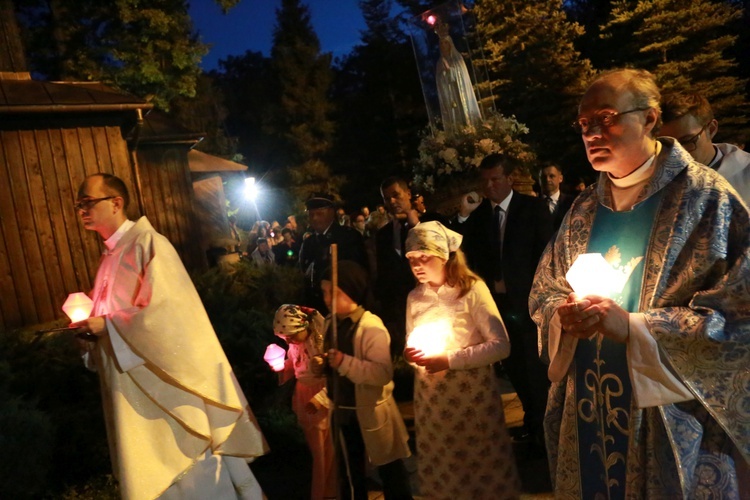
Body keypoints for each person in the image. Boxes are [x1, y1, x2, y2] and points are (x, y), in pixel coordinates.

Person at [530, 68, 750, 498]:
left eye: (606, 118)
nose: (592, 132)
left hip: (673, 417)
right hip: (590, 407)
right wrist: (563, 316)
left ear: (650, 118)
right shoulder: (583, 211)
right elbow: (545, 292)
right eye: (584, 124)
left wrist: (634, 328)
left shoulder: (707, 198)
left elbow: (738, 317)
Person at [70, 173, 267, 500]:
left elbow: (170, 315)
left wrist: (109, 327)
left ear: (116, 203)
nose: (81, 211)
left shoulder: (149, 244)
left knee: (194, 481)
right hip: (132, 397)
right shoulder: (109, 258)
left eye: (87, 202)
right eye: (79, 205)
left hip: (168, 396)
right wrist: (90, 339)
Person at [403, 221, 520, 499]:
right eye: (412, 260)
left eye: (424, 257)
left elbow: (501, 345)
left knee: (479, 472)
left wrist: (451, 359)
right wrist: (411, 356)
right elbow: (412, 340)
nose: (418, 265)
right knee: (445, 471)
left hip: (471, 400)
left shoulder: (472, 290)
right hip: (432, 402)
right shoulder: (415, 298)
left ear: (444, 256)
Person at [453, 153, 554, 448]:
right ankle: (531, 418)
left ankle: (542, 427)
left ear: (509, 178)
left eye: (496, 179)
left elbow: (545, 255)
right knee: (512, 367)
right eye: (485, 181)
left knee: (534, 368)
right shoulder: (479, 216)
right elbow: (461, 252)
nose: (490, 186)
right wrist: (462, 215)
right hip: (495, 307)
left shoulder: (532, 209)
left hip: (527, 303)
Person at [313, 261, 412, 500]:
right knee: (349, 474)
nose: (327, 299)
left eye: (334, 292)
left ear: (353, 290)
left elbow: (381, 374)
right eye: (324, 292)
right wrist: (321, 364)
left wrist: (345, 363)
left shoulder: (370, 327)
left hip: (371, 410)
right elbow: (329, 363)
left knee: (390, 468)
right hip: (344, 412)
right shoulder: (330, 323)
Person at [273, 304, 336, 500]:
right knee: (317, 449)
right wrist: (279, 366)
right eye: (284, 338)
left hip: (320, 395)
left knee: (325, 448)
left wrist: (321, 399)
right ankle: (326, 490)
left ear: (303, 327)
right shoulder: (295, 344)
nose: (288, 340)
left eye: (291, 335)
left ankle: (324, 492)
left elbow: (335, 376)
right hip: (303, 394)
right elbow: (294, 365)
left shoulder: (320, 344)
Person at [660, 90, 750, 204]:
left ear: (711, 129)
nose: (676, 153)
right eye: (666, 144)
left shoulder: (746, 174)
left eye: (687, 141)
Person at [299, 193, 368, 314]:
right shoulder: (308, 243)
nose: (314, 218)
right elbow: (305, 271)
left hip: (343, 305)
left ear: (331, 213)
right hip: (316, 307)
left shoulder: (348, 237)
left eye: (319, 214)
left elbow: (357, 274)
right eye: (311, 215)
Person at [434, 20, 482, 136]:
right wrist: (443, 73)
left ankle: (470, 128)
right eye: (441, 44)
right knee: (454, 114)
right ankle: (455, 132)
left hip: (460, 93)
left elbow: (460, 76)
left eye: (445, 43)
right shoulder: (440, 62)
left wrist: (449, 70)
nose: (443, 46)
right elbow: (439, 81)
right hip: (450, 93)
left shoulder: (457, 58)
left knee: (463, 112)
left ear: (450, 44)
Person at [538, 164, 574, 232]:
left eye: (552, 176)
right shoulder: (531, 204)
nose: (547, 179)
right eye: (543, 177)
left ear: (560, 178)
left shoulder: (572, 203)